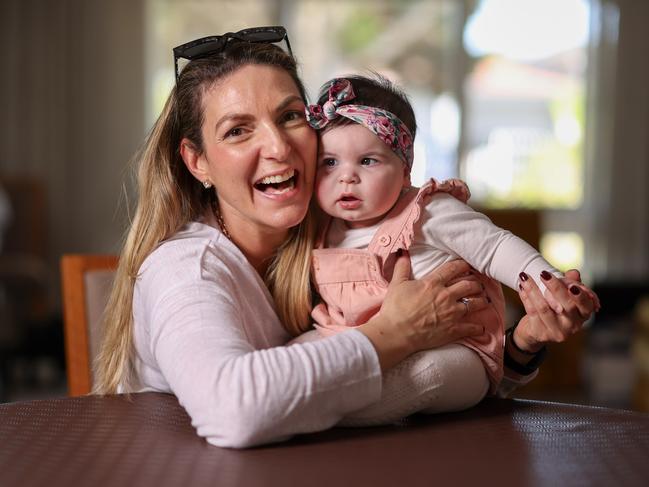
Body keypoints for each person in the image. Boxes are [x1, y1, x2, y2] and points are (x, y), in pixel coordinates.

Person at [94, 26, 596, 448]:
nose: (277, 146)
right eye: (237, 131)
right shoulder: (189, 268)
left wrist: (521, 346)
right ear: (197, 161)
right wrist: (390, 335)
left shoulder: (321, 237)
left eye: (290, 116)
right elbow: (235, 411)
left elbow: (441, 380)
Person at [301, 74, 600, 404]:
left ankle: (343, 405)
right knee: (298, 355)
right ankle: (323, 399)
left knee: (425, 373)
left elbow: (495, 246)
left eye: (367, 160)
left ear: (404, 171)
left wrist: (553, 286)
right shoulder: (321, 229)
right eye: (329, 163)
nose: (346, 176)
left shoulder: (426, 211)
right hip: (359, 347)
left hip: (454, 349)